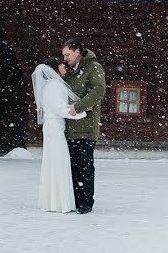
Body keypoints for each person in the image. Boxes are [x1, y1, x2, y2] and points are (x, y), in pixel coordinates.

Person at [31, 58, 87, 213]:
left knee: (53, 162)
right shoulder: (54, 85)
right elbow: (61, 109)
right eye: (62, 65)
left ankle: (52, 201)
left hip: (52, 126)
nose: (65, 67)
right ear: (55, 68)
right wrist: (81, 113)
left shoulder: (49, 86)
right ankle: (60, 203)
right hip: (55, 126)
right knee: (58, 162)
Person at [61, 38, 106, 214]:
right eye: (63, 55)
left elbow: (98, 91)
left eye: (67, 54)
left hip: (86, 128)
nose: (64, 58)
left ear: (77, 52)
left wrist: (77, 107)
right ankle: (74, 200)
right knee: (72, 167)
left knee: (84, 166)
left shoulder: (94, 68)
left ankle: (86, 203)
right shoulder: (68, 71)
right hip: (69, 129)